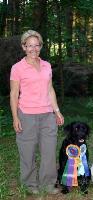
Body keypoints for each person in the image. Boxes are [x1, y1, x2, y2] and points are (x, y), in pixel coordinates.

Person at [10, 30, 64, 195]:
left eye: (37, 45)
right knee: (27, 151)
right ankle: (30, 184)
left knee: (49, 150)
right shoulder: (17, 68)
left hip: (47, 115)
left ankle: (48, 183)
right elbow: (13, 94)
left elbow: (50, 89)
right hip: (26, 114)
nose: (33, 49)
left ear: (41, 46)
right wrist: (15, 117)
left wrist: (57, 111)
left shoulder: (47, 65)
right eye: (29, 45)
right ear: (24, 47)